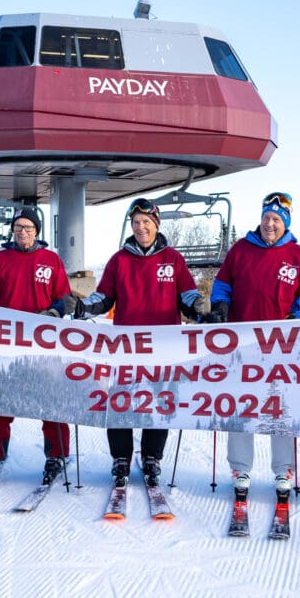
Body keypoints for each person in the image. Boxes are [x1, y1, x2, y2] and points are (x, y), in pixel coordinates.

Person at [64, 199, 207, 485]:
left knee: (160, 400)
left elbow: (187, 294)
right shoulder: (120, 260)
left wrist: (199, 307)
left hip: (164, 347)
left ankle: (152, 456)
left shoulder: (173, 259)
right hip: (126, 347)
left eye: (146, 222)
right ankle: (121, 456)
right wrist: (82, 307)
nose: (141, 227)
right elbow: (103, 297)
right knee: (121, 401)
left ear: (156, 224)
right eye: (136, 223)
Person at [206, 192, 300, 494]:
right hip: (241, 345)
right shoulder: (240, 249)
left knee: (279, 407)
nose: (270, 224)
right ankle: (240, 468)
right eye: (267, 217)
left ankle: (283, 469)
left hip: (280, 346)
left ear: (286, 223)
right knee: (242, 405)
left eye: (277, 219)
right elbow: (222, 286)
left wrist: (297, 317)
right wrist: (219, 307)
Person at [0, 208, 72, 486]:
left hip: (42, 343)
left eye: (28, 227)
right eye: (18, 227)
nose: (23, 232)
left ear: (37, 231)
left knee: (50, 399)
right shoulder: (0, 260)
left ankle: (57, 453)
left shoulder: (51, 260)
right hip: (8, 343)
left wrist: (55, 314)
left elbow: (63, 299)